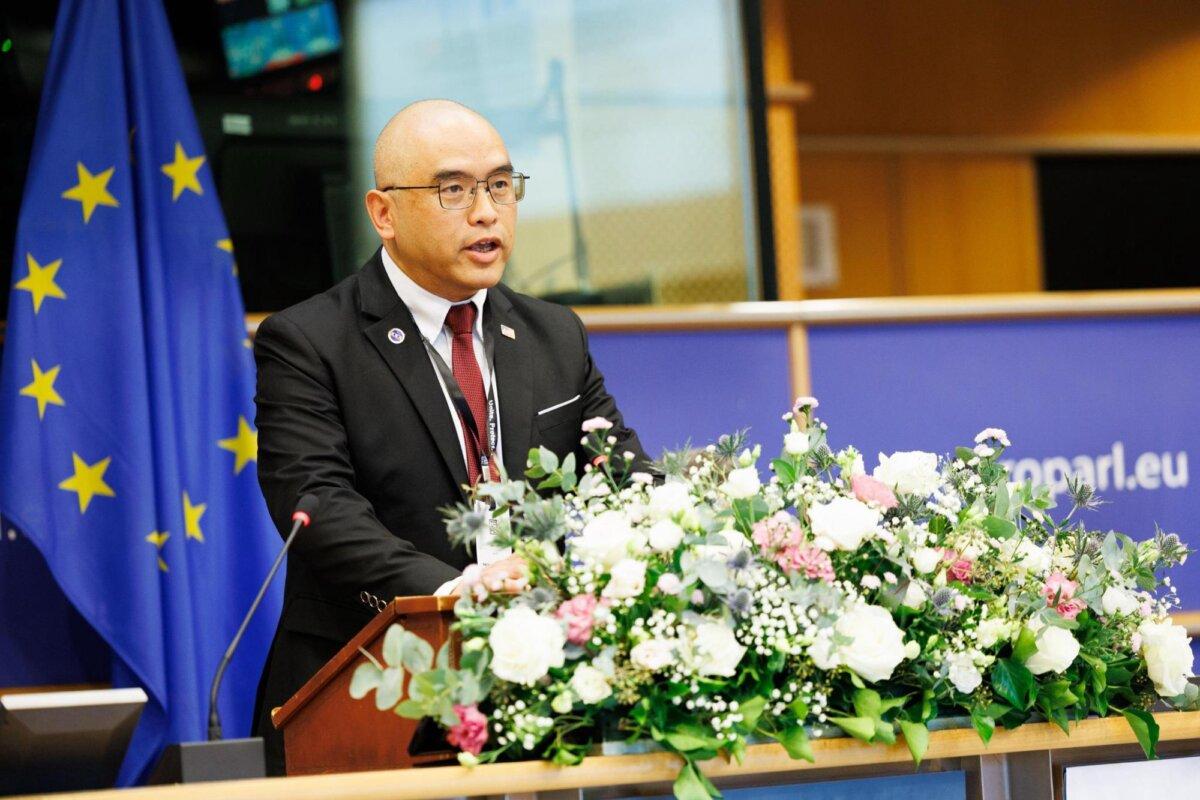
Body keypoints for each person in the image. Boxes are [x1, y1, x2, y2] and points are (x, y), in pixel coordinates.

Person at [249, 99, 647, 775]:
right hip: (368, 689)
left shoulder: (554, 335)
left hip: (540, 689)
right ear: (383, 213)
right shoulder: (309, 342)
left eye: (499, 185)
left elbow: (622, 477)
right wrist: (460, 590)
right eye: (454, 190)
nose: (487, 211)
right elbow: (319, 507)